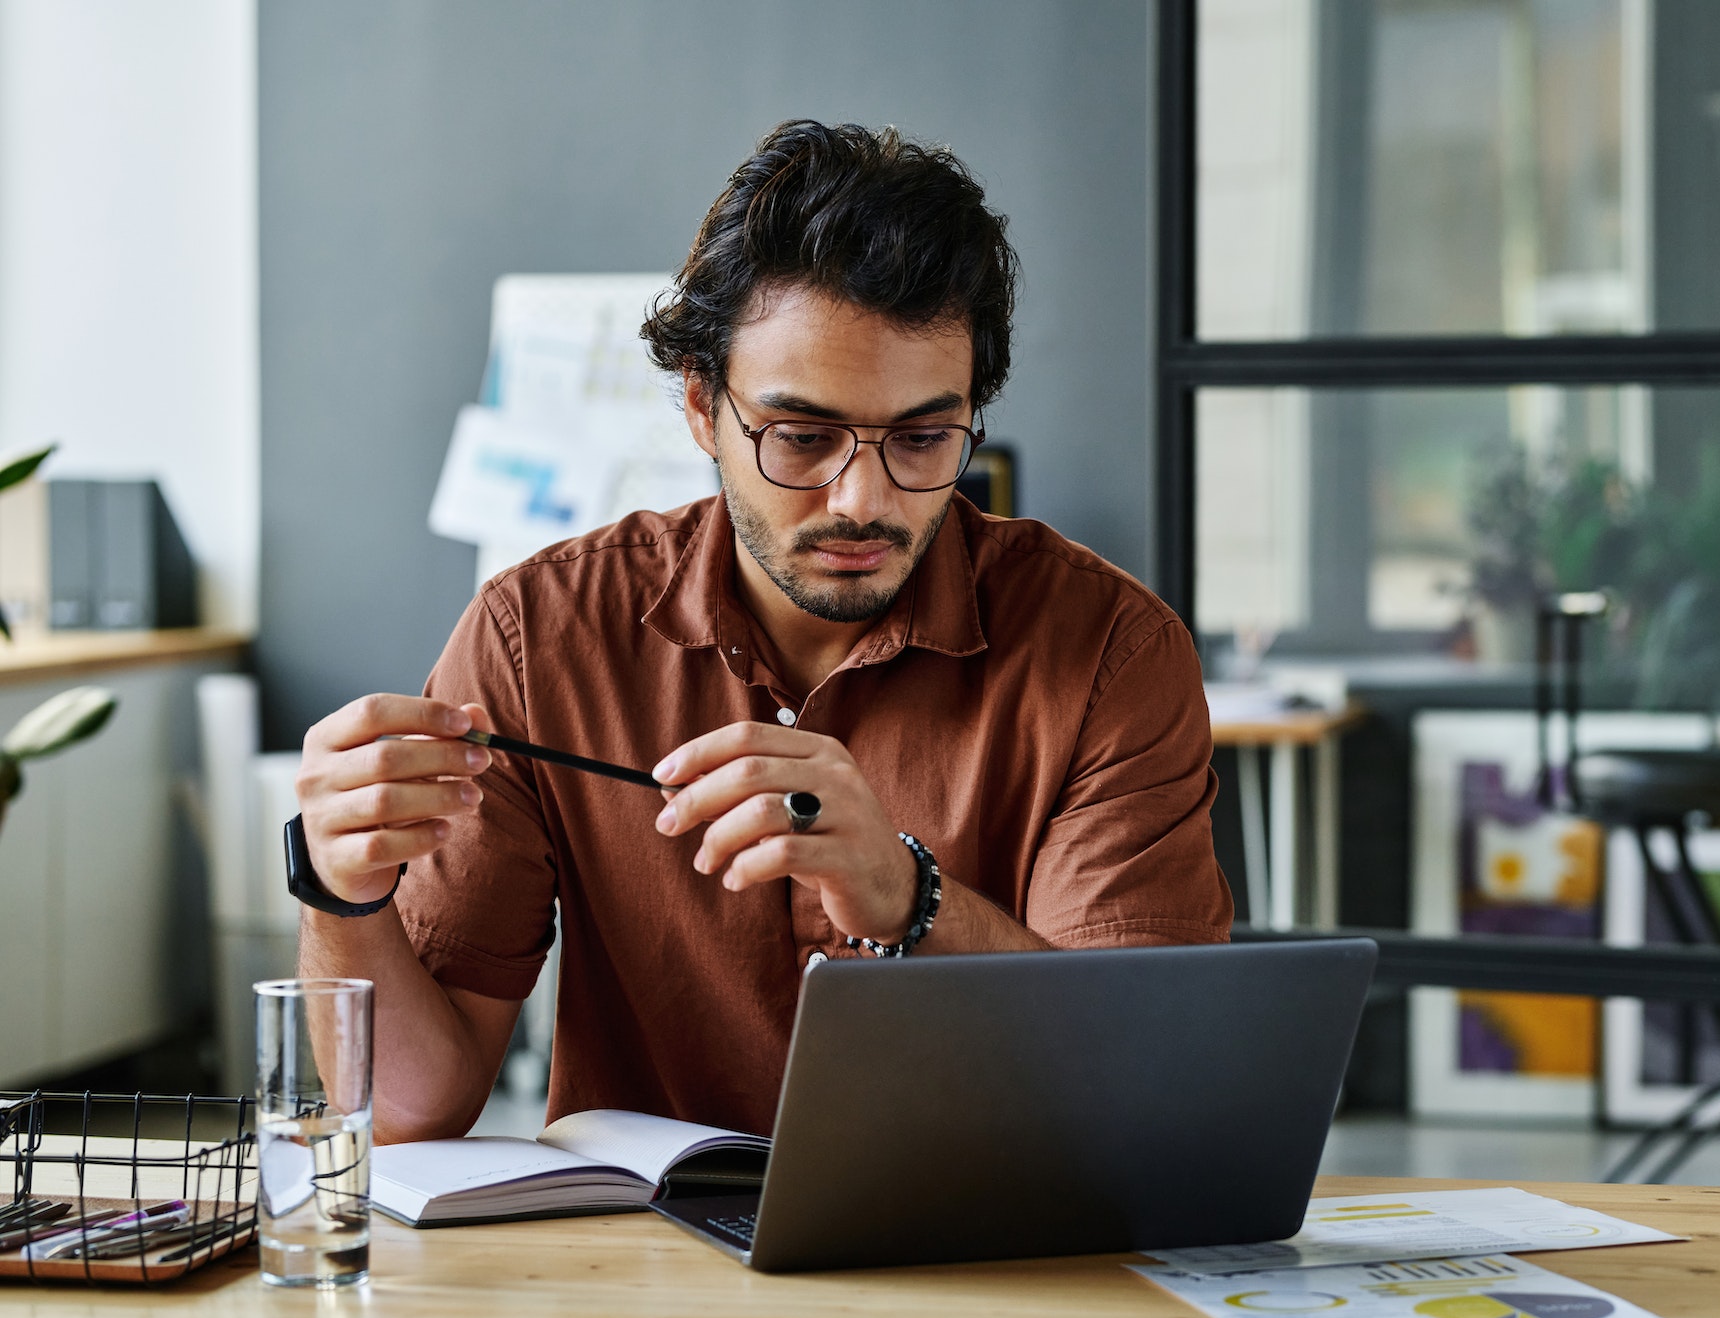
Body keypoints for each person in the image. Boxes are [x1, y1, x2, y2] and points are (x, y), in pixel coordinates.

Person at [292, 120, 1233, 1143]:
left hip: (997, 1262)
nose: (861, 499)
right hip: (653, 1277)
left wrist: (902, 895)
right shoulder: (538, 636)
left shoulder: (1110, 650)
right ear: (701, 407)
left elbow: (1143, 1089)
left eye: (923, 438)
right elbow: (408, 1108)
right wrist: (339, 893)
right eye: (800, 436)